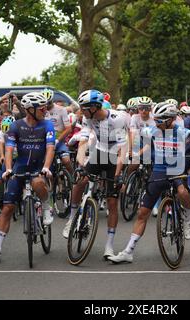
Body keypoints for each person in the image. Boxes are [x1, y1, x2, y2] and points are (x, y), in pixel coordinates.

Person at [108, 101, 190, 264]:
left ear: (170, 119)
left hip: (176, 170)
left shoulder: (182, 131)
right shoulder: (150, 130)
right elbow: (137, 140)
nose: (156, 123)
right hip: (158, 171)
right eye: (156, 119)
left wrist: (186, 156)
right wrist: (135, 153)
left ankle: (188, 218)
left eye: (160, 120)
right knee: (142, 213)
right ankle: (128, 251)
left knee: (182, 192)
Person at [0, 92, 55, 264]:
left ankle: (46, 206)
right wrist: (8, 169)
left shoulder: (47, 125)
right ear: (30, 110)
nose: (45, 111)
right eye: (42, 108)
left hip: (40, 166)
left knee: (38, 182)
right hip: (20, 167)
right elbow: (9, 148)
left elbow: (50, 147)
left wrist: (46, 167)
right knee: (8, 208)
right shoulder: (16, 126)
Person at [66, 89, 128, 260]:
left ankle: (109, 246)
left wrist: (117, 175)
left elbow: (123, 149)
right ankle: (71, 219)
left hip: (116, 156)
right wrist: (80, 163)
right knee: (79, 181)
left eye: (84, 107)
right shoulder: (88, 117)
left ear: (94, 107)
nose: (81, 111)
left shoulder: (117, 119)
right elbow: (84, 140)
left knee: (112, 202)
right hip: (100, 152)